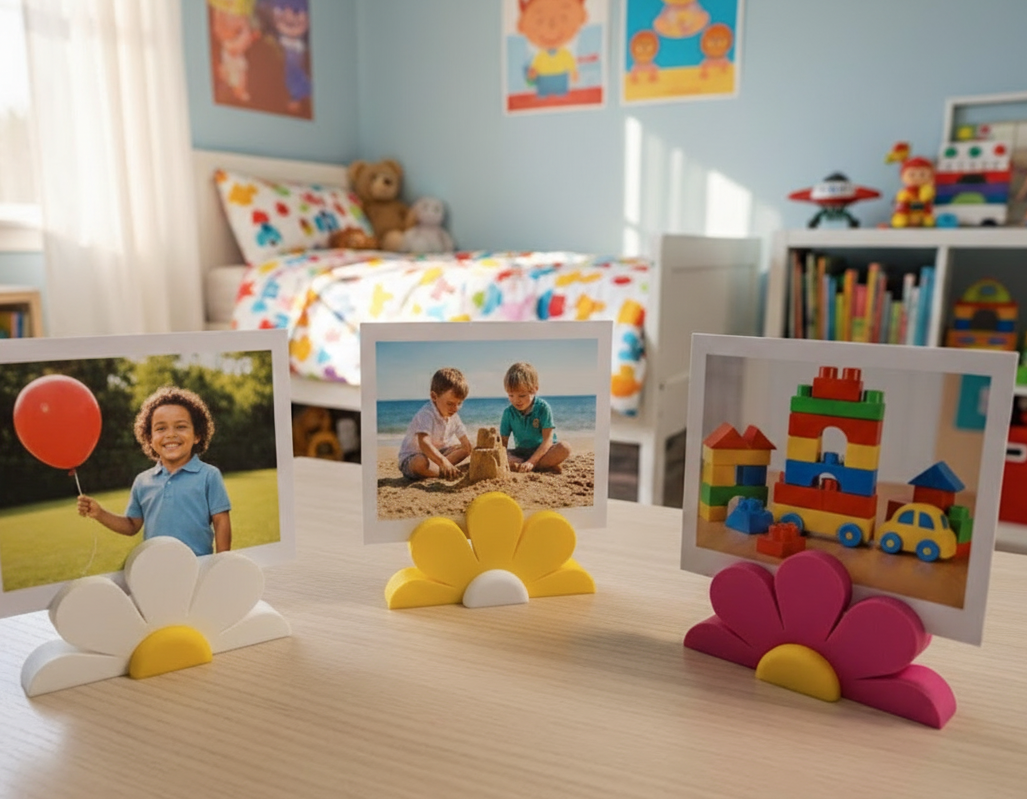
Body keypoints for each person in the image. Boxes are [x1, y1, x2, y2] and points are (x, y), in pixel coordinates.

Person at [77, 386, 232, 556]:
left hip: (199, 564)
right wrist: (100, 513)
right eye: (161, 428)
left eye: (181, 427)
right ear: (149, 439)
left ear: (197, 435)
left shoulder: (209, 475)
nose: (170, 434)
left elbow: (221, 522)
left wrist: (221, 561)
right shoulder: (143, 481)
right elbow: (131, 526)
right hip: (154, 567)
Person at [397, 368, 473, 481]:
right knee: (420, 463)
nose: (455, 408)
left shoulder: (454, 416)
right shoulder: (426, 414)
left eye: (459, 403)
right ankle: (442, 471)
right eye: (450, 403)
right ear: (434, 397)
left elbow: (466, 443)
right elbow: (424, 443)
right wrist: (443, 461)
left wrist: (473, 453)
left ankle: (440, 469)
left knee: (467, 448)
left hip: (438, 455)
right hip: (413, 458)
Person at [500, 362, 571, 473]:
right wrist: (505, 455)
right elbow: (503, 443)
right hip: (521, 452)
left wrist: (532, 462)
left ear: (534, 389)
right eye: (511, 395)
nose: (516, 400)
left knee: (565, 448)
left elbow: (548, 440)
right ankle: (541, 466)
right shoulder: (508, 413)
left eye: (522, 395)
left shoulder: (543, 408)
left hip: (543, 451)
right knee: (500, 454)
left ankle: (530, 466)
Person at [517, 0, 587, 99]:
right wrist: (533, 72)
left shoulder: (563, 54)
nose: (551, 27)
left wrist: (573, 72)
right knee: (544, 91)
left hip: (560, 77)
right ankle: (545, 92)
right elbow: (535, 66)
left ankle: (558, 91)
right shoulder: (541, 56)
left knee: (560, 91)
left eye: (563, 18)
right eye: (539, 21)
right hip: (545, 78)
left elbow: (570, 63)